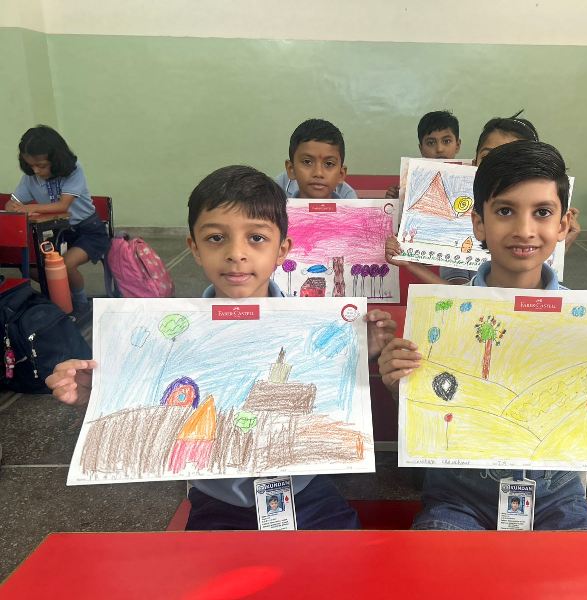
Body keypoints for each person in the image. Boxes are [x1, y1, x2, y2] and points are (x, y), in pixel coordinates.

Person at [45, 165, 397, 531]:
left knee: (347, 557)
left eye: (256, 238)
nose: (236, 253)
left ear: (282, 250)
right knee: (206, 565)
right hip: (219, 500)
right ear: (194, 249)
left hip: (305, 489)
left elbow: (333, 397)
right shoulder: (171, 338)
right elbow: (142, 403)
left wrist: (363, 351)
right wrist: (97, 391)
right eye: (216, 238)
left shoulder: (316, 326)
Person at [378, 140, 587, 531]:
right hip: (458, 497)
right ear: (478, 223)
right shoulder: (440, 317)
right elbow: (426, 407)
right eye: (505, 211)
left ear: (563, 224)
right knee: (436, 561)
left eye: (542, 212)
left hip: (558, 499)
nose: (524, 230)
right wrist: (398, 384)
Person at [386, 112, 582, 285]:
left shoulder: (547, 219)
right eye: (489, 158)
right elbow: (459, 294)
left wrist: (558, 247)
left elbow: (535, 280)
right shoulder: (461, 221)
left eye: (542, 212)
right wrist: (411, 263)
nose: (501, 169)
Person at [5, 125, 110, 314]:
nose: (36, 171)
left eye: (41, 165)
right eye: (30, 165)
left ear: (56, 159)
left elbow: (63, 205)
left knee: (65, 265)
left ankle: (80, 304)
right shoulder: (30, 178)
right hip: (58, 233)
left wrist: (30, 208)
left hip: (89, 231)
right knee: (34, 267)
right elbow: (11, 204)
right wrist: (13, 207)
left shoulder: (74, 171)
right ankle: (59, 299)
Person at [385, 110, 462, 199]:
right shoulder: (410, 183)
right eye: (431, 143)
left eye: (446, 141)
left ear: (457, 145)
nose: (439, 149)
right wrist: (395, 201)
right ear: (421, 149)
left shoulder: (471, 180)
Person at [274, 119, 357, 200]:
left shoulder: (349, 200)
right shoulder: (276, 193)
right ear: (291, 169)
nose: (318, 173)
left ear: (341, 174)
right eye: (307, 162)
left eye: (329, 164)